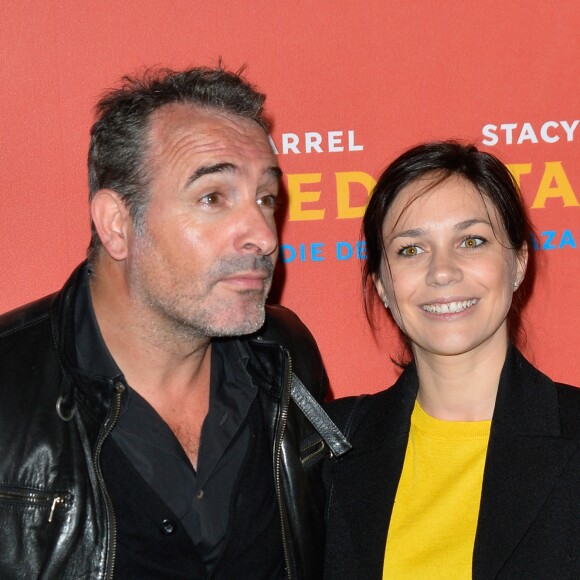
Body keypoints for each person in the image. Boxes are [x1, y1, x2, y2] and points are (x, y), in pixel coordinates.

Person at [0, 66, 350, 579]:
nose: (263, 235)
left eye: (266, 198)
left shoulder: (286, 355)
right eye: (213, 198)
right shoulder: (9, 387)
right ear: (117, 225)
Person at [323, 141, 580, 579]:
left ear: (518, 263)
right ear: (382, 284)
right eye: (411, 249)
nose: (442, 271)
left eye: (471, 241)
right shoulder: (324, 446)